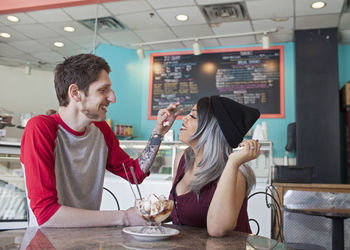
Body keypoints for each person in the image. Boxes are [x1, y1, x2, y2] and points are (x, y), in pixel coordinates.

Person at [20, 54, 182, 228]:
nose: (113, 97)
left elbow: (135, 173)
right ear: (75, 93)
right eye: (103, 90)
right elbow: (47, 214)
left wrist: (158, 133)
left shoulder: (101, 130)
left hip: (86, 238)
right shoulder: (40, 128)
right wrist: (125, 217)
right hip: (45, 242)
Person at [168, 96, 261, 237]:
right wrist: (131, 215)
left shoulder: (236, 173)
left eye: (193, 116)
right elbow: (175, 208)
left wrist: (233, 163)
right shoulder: (182, 159)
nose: (184, 118)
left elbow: (217, 229)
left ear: (211, 129)